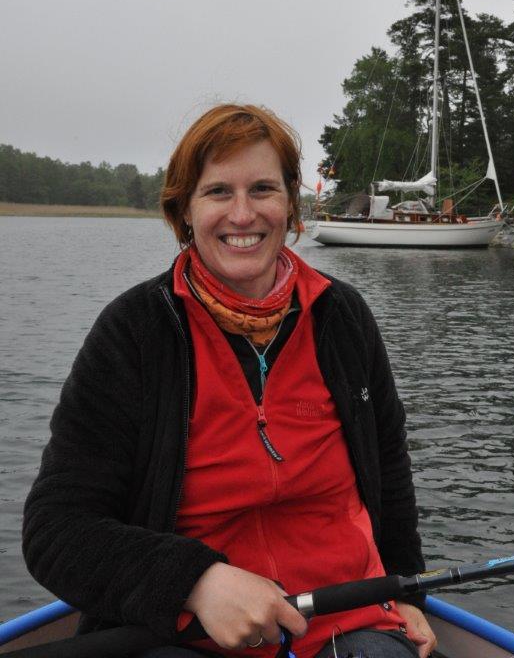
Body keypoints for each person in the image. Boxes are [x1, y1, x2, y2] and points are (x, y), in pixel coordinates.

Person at [22, 104, 436, 658]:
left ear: (290, 205)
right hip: (185, 635)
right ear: (185, 210)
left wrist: (407, 589)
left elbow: (389, 468)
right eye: (218, 192)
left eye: (263, 189)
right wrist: (197, 580)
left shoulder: (343, 317)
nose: (243, 214)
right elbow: (55, 529)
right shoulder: (134, 331)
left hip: (347, 621)